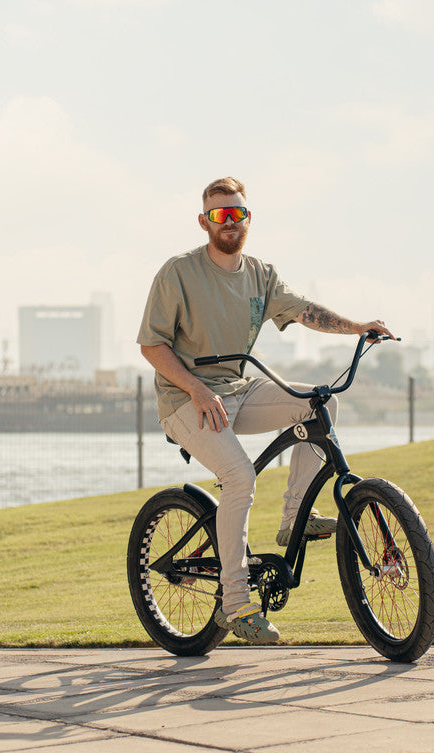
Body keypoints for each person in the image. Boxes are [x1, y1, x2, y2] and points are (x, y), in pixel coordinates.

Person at [137, 177, 394, 644]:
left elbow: (303, 310)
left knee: (320, 404)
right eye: (220, 214)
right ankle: (235, 604)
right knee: (239, 476)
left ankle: (295, 516)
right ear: (204, 222)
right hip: (185, 400)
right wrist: (196, 389)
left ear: (248, 219)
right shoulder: (178, 273)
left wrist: (359, 327)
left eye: (237, 213)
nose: (230, 221)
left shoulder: (260, 275)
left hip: (239, 388)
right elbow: (151, 345)